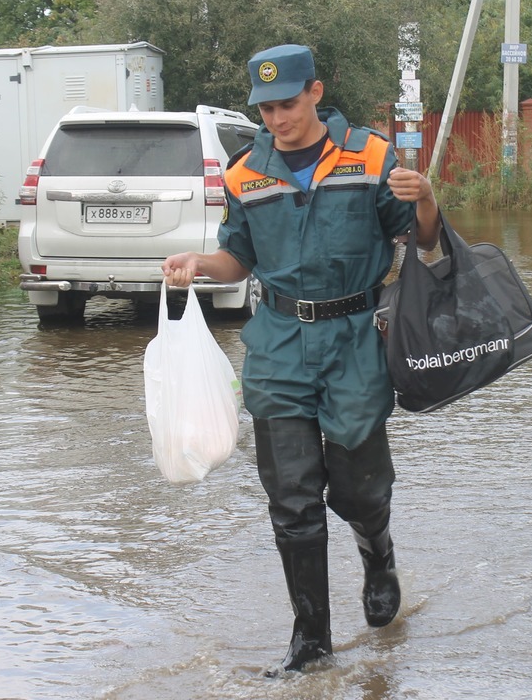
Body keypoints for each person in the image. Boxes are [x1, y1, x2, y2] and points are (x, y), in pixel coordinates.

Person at [162, 43, 440, 675]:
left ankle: (379, 555)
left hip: (355, 344)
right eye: (265, 108)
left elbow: (422, 238)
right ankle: (311, 638)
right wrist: (197, 265)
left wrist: (424, 196)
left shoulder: (369, 156)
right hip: (279, 345)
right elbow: (237, 260)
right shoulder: (243, 173)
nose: (277, 119)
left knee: (359, 489)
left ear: (315, 92)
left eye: (287, 104)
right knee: (290, 497)